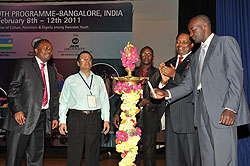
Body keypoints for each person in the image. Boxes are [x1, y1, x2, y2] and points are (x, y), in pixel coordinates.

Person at [152, 15, 250, 166]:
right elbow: (188, 85)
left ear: (205, 26)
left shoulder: (225, 43)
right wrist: (166, 93)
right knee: (207, 159)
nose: (191, 34)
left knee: (225, 159)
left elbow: (236, 78)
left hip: (221, 111)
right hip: (200, 113)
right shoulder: (196, 55)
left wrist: (230, 108)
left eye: (192, 30)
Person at [3, 38, 59, 166]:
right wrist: (17, 111)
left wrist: (54, 116)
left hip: (42, 118)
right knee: (14, 159)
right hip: (22, 119)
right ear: (36, 50)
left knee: (35, 158)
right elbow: (13, 89)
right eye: (45, 48)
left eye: (50, 49)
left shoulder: (51, 70)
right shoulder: (24, 64)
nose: (48, 51)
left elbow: (54, 96)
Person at [58, 50, 110, 166]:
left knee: (93, 151)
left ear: (92, 62)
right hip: (76, 117)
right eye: (83, 59)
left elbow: (104, 101)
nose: (86, 61)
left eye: (89, 59)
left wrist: (106, 119)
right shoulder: (70, 80)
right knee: (74, 151)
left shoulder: (98, 80)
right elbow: (64, 102)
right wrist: (62, 121)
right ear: (78, 63)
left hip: (94, 117)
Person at [158, 32, 201, 166]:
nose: (180, 45)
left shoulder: (196, 60)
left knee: (191, 159)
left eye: (184, 42)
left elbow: (191, 85)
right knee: (172, 159)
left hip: (188, 117)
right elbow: (165, 88)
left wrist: (174, 75)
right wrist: (163, 83)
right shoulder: (170, 62)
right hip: (172, 118)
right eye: (178, 42)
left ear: (192, 45)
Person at [114, 46, 161, 166]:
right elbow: (123, 96)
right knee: (132, 152)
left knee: (149, 153)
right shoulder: (131, 72)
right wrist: (117, 113)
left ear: (153, 57)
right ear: (139, 56)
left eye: (149, 54)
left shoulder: (157, 73)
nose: (146, 56)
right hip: (132, 119)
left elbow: (161, 94)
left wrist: (148, 102)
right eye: (144, 54)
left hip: (150, 118)